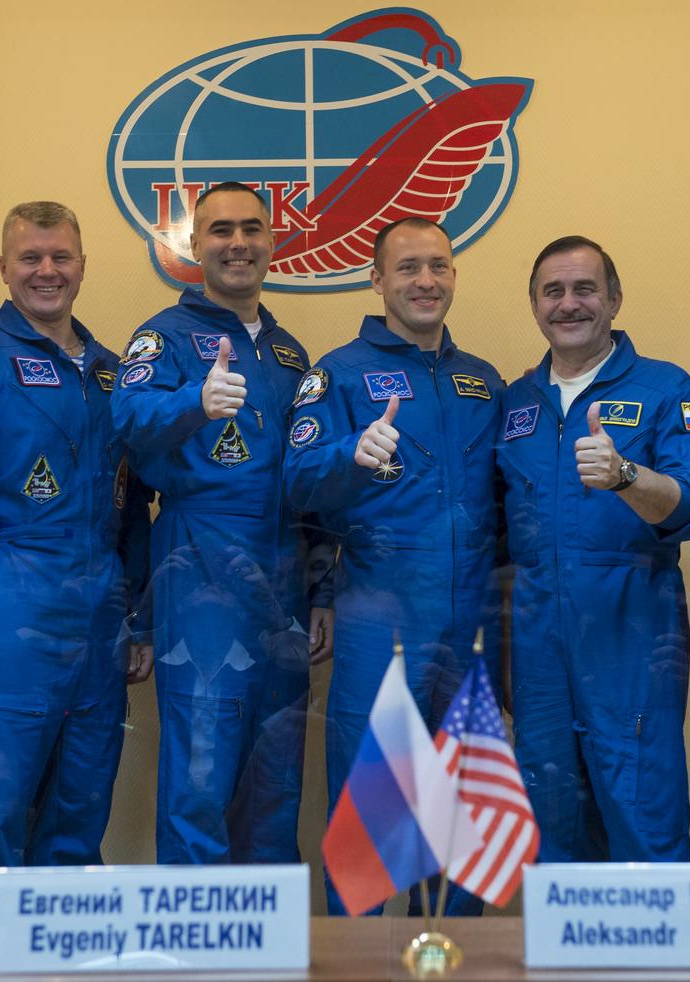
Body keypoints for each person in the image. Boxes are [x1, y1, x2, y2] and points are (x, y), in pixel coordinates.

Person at [0, 201, 150, 919]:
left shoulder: (111, 371)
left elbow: (132, 506)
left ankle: (62, 954)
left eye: (61, 257)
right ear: (4, 269)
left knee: (81, 800)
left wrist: (137, 616)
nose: (47, 271)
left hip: (100, 607)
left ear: (82, 264)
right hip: (12, 601)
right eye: (30, 258)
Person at [283, 217, 502, 915]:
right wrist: (349, 453)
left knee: (462, 819)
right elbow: (295, 483)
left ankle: (455, 963)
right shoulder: (338, 374)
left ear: (454, 276)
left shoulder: (482, 381)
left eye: (438, 266)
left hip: (471, 618)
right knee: (372, 823)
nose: (425, 281)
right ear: (376, 280)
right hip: (382, 613)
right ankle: (359, 965)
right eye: (407, 268)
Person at [112, 182, 330, 867]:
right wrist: (193, 401)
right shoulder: (165, 337)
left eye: (252, 229)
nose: (238, 243)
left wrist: (322, 589)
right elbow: (127, 423)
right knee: (199, 779)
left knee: (276, 780)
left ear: (273, 241)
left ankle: (269, 960)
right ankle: (194, 962)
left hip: (284, 578)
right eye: (220, 231)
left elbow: (313, 478)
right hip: (201, 566)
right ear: (193, 245)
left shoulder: (292, 354)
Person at [497, 235, 690, 863]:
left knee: (643, 815)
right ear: (535, 304)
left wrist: (627, 476)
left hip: (632, 637)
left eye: (585, 289)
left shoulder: (664, 389)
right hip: (538, 650)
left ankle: (652, 964)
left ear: (615, 299)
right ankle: (568, 962)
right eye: (553, 291)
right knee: (552, 825)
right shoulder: (516, 403)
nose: (569, 304)